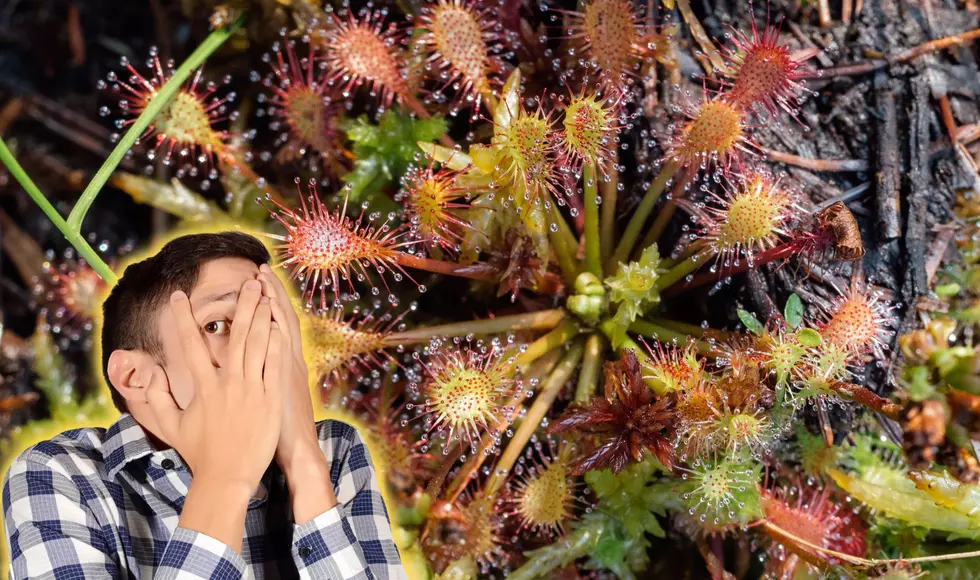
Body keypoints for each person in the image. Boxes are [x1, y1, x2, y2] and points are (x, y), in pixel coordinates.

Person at [2, 231, 406, 580]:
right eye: (217, 325)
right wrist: (223, 478)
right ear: (133, 377)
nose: (261, 348)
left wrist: (304, 460)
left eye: (270, 323)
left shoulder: (334, 451)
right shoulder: (58, 475)